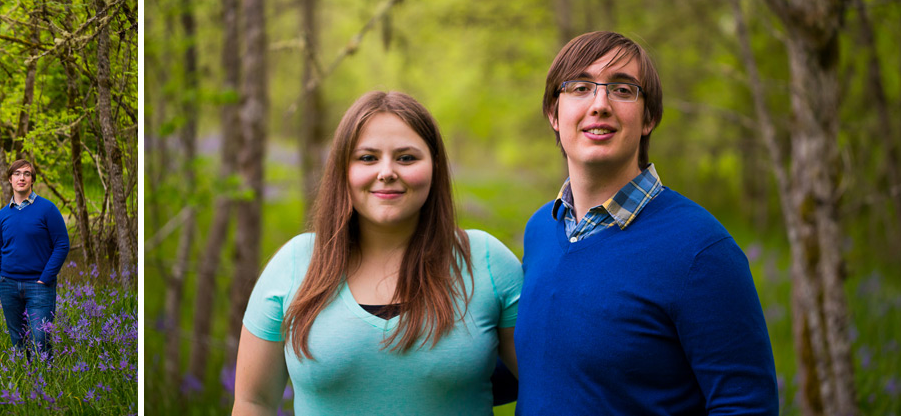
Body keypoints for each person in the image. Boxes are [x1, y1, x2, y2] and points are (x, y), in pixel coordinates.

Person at [515, 31, 778, 414]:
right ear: (554, 114)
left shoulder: (700, 249)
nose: (600, 104)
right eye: (580, 87)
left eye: (623, 90)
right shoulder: (542, 228)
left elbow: (746, 405)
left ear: (649, 118)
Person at [233, 91, 523, 416]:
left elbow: (549, 384)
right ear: (343, 169)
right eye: (367, 158)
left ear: (436, 166)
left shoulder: (486, 261)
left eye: (407, 158)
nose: (386, 171)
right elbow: (252, 403)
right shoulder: (294, 265)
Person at [0, 159, 70, 360]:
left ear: (32, 179)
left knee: (40, 337)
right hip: (8, 285)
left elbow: (62, 244)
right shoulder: (2, 215)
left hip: (39, 285)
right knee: (18, 340)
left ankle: (46, 380)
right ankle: (25, 382)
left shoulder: (47, 209)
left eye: (26, 173)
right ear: (10, 179)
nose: (21, 178)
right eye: (16, 174)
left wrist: (46, 277)